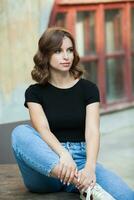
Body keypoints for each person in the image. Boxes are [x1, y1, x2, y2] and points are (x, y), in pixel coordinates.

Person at [11, 27, 134, 200]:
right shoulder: (34, 93)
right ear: (45, 55)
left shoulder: (88, 89)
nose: (66, 56)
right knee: (20, 132)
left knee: (127, 196)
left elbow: (92, 132)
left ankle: (82, 181)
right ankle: (81, 184)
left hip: (82, 161)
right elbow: (43, 130)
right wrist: (63, 154)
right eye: (58, 51)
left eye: (69, 50)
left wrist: (90, 168)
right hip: (47, 165)